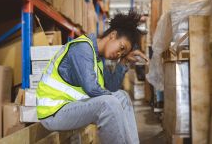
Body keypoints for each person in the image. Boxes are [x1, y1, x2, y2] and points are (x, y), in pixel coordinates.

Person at [36, 10, 149, 144]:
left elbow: (111, 88)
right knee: (109, 103)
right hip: (53, 112)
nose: (119, 54)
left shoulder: (99, 60)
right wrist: (112, 101)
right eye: (121, 47)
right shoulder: (82, 48)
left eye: (123, 53)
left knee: (122, 97)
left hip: (69, 107)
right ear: (113, 35)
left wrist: (124, 62)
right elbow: (92, 89)